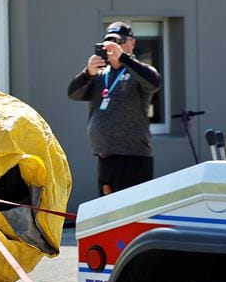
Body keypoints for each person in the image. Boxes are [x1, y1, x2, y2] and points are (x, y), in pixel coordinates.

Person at [68, 21, 162, 195]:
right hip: (105, 156)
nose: (113, 47)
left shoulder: (138, 71)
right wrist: (87, 73)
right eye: (109, 43)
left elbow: (154, 82)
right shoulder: (100, 74)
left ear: (131, 43)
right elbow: (73, 94)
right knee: (109, 216)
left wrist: (123, 58)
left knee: (132, 214)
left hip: (132, 156)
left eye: (118, 42)